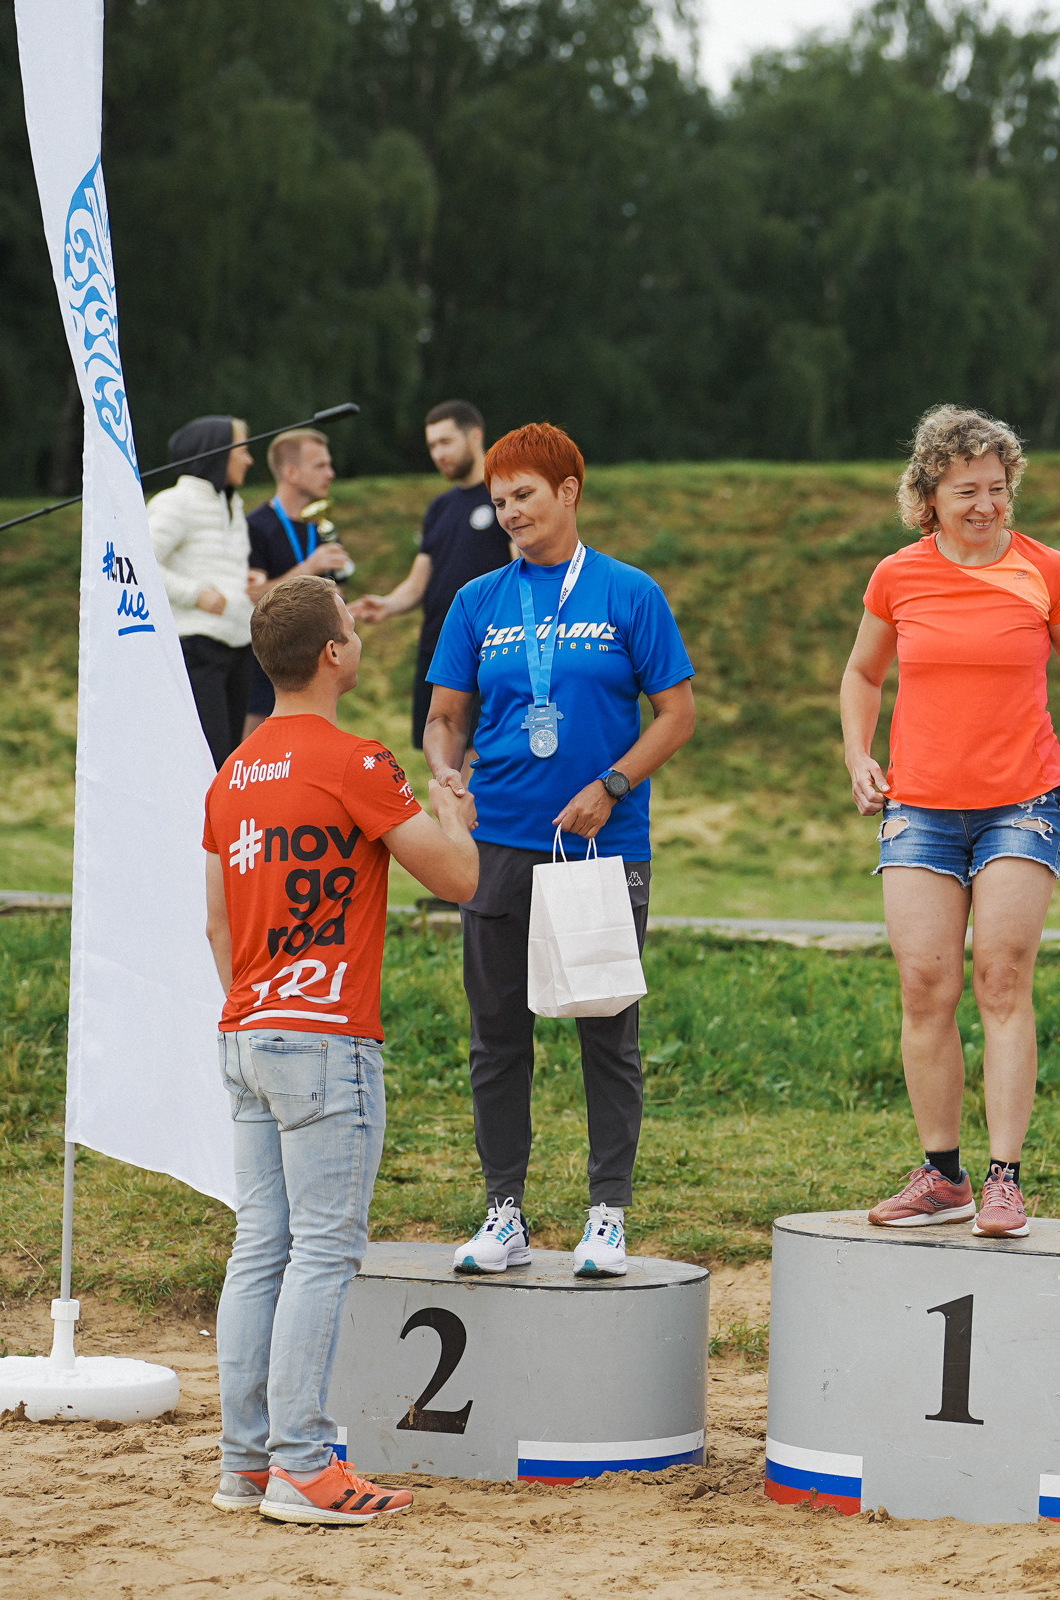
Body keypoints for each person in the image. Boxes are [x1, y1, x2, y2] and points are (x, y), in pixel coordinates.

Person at [203, 574, 480, 1525]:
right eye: (354, 630)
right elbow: (457, 880)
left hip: (247, 1029)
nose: (361, 640)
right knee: (322, 1255)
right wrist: (455, 812)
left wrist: (258, 1009)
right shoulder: (358, 761)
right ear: (335, 654)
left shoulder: (231, 774)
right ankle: (304, 1467)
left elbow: (214, 927)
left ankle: (246, 1464)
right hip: (325, 1039)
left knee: (259, 1253)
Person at [840, 405, 1060, 1239]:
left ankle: (1005, 1179)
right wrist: (860, 756)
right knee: (926, 987)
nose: (987, 505)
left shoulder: (1048, 571)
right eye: (966, 490)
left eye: (998, 489)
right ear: (927, 494)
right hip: (919, 809)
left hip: (1021, 802)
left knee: (1002, 979)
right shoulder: (898, 574)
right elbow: (862, 674)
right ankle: (942, 1177)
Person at [423, 423, 696, 1280]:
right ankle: (504, 1212)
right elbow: (444, 719)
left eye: (525, 497)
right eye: (499, 501)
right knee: (497, 1037)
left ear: (568, 491)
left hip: (599, 848)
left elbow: (677, 715)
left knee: (607, 1032)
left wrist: (612, 786)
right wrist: (444, 774)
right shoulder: (478, 602)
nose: (510, 514)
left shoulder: (629, 594)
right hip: (498, 842)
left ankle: (606, 1216)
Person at [352, 401, 511, 749]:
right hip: (439, 650)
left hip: (489, 649)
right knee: (440, 756)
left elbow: (526, 568)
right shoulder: (440, 507)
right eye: (432, 446)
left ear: (476, 436)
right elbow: (419, 581)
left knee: (478, 762)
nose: (438, 454)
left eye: (446, 442)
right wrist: (387, 604)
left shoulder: (504, 498)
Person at [147, 415, 257, 767]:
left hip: (239, 645)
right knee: (206, 760)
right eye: (242, 449)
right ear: (218, 452)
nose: (249, 459)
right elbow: (137, 566)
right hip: (196, 648)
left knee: (227, 759)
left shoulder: (232, 505)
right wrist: (196, 593)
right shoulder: (175, 503)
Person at [242, 429, 349, 738]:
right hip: (268, 667)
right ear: (290, 472)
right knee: (257, 756)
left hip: (317, 669)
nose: (331, 473)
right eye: (320, 466)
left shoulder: (322, 528)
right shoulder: (256, 526)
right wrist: (309, 567)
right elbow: (253, 594)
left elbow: (334, 591)